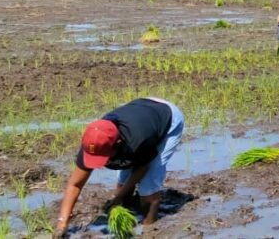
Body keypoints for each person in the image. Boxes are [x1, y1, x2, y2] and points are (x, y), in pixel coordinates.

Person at [54, 97, 184, 237]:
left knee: (148, 188)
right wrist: (62, 223)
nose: (101, 162)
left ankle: (149, 228)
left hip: (167, 118)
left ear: (119, 143)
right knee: (122, 183)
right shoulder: (93, 142)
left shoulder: (139, 140)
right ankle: (128, 214)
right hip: (140, 110)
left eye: (103, 156)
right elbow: (75, 185)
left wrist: (119, 196)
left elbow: (142, 167)